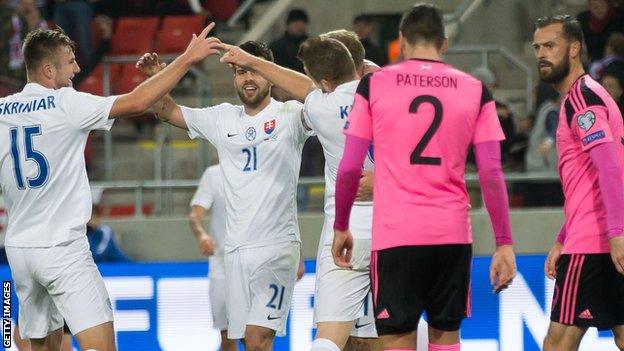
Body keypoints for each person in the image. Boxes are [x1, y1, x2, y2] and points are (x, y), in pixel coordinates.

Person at [0, 24, 220, 351]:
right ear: (48, 69)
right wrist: (186, 59)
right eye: (70, 61)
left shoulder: (3, 111)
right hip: (62, 248)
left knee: (38, 346)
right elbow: (136, 101)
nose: (77, 68)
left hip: (18, 251)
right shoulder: (65, 103)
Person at [332, 4, 517, 350]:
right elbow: (492, 171)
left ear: (401, 41)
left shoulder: (374, 85)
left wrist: (341, 225)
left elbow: (350, 167)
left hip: (396, 237)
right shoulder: (477, 90)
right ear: (444, 43)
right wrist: (504, 241)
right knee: (446, 340)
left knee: (397, 341)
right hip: (451, 237)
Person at [136, 40, 310, 351]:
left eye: (254, 70)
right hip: (235, 250)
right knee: (240, 340)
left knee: (258, 340)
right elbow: (168, 112)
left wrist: (257, 62)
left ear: (269, 75)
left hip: (277, 247)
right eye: (241, 71)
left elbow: (315, 93)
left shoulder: (290, 113)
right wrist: (155, 78)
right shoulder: (222, 118)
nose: (248, 78)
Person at [218, 35, 381, 351]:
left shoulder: (322, 107)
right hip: (392, 232)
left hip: (344, 235)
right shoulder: (391, 98)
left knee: (330, 338)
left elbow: (302, 88)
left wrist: (249, 60)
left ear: (324, 80)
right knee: (386, 337)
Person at [534, 15, 624, 350]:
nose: (542, 54)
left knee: (557, 343)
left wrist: (615, 235)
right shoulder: (586, 95)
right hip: (601, 236)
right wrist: (562, 237)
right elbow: (589, 180)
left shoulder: (581, 99)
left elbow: (610, 168)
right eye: (538, 47)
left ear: (574, 49)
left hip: (594, 244)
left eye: (550, 45)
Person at [189, 164, 238, 351]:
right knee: (227, 337)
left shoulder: (261, 169)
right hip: (222, 265)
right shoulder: (214, 174)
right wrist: (201, 234)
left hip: (254, 264)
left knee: (254, 337)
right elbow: (195, 216)